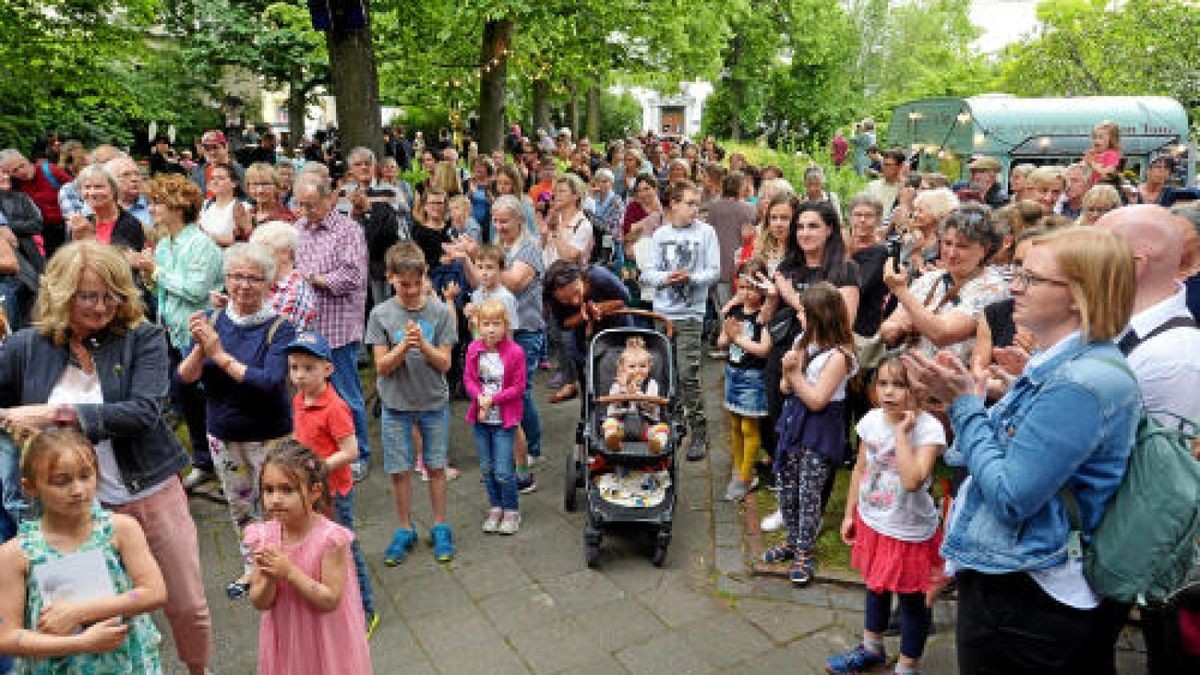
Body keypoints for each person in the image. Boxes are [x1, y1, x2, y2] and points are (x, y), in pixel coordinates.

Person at [904, 226, 1140, 674]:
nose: (1014, 287)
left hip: (1029, 596)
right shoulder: (1069, 367)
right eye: (1018, 273)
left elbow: (1010, 496)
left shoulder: (1079, 383)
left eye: (1031, 278)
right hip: (1023, 582)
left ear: (1078, 294)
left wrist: (963, 405)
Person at [0, 241, 213, 674]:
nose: (103, 307)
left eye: (113, 294)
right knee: (93, 614)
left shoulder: (143, 338)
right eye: (88, 296)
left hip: (150, 491)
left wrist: (53, 414)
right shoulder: (26, 346)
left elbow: (144, 411)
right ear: (61, 294)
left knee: (184, 602)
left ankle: (197, 669)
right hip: (75, 510)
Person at [1098, 204, 1200, 675]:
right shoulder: (1131, 328)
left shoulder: (1175, 356)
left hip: (1145, 560)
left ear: (1134, 263)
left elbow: (1167, 491)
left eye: (1095, 249)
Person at [176, 242, 296, 600]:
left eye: (253, 278)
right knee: (240, 504)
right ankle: (253, 567)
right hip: (224, 432)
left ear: (268, 283)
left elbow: (270, 382)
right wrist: (200, 348)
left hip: (269, 434)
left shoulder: (280, 328)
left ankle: (284, 564)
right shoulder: (212, 321)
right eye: (235, 277)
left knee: (276, 504)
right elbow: (183, 379)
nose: (243, 285)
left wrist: (219, 355)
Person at [0, 429, 167, 673]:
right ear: (31, 487)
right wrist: (80, 643)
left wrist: (79, 612)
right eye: (61, 481)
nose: (78, 490)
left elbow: (154, 592)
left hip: (129, 663)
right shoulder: (16, 554)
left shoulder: (120, 529)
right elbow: (7, 637)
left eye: (85, 476)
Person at [827, 356, 947, 675]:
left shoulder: (928, 430)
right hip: (874, 521)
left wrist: (903, 434)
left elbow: (912, 480)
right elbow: (861, 471)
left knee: (911, 602)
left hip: (908, 531)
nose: (889, 393)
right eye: (883, 383)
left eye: (899, 384)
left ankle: (907, 667)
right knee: (875, 587)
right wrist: (850, 513)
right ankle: (872, 648)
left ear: (918, 390)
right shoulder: (871, 420)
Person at [130, 174, 224, 492]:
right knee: (187, 400)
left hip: (197, 333)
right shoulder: (165, 245)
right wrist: (148, 274)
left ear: (179, 207)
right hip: (172, 331)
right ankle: (203, 461)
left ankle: (219, 461)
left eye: (158, 203)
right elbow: (162, 291)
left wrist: (155, 271)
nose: (152, 209)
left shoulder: (201, 245)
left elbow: (195, 291)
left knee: (205, 398)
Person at [245, 441, 372, 675]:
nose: (275, 499)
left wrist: (289, 573)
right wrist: (270, 577)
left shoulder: (330, 539)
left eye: (287, 489)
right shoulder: (263, 537)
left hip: (326, 640)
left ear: (314, 492)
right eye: (268, 489)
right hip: (286, 640)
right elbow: (259, 602)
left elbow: (330, 599)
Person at [366, 242, 457, 566]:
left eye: (416, 283)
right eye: (404, 284)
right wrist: (405, 345)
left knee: (435, 466)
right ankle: (404, 528)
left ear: (424, 276)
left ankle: (440, 524)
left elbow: (445, 364)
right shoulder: (381, 315)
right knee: (399, 470)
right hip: (396, 405)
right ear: (390, 278)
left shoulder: (440, 312)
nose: (411, 290)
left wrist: (424, 346)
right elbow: (381, 366)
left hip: (433, 402)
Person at [283, 331, 377, 635]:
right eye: (294, 367)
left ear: (328, 369)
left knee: (344, 548)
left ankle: (366, 610)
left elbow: (351, 452)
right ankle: (333, 599)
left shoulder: (335, 407)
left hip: (334, 492)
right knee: (320, 547)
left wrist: (317, 467)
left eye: (308, 368)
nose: (299, 375)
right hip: (310, 490)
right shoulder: (299, 399)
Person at [769, 282, 857, 586]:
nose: (799, 317)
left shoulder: (840, 357)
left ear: (821, 316)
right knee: (787, 487)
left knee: (809, 493)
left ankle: (804, 550)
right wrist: (786, 373)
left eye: (804, 312)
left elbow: (818, 400)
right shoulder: (802, 342)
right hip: (794, 421)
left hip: (819, 428)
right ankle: (792, 539)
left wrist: (794, 375)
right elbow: (785, 388)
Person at [454, 197, 545, 492]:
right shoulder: (498, 247)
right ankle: (506, 462)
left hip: (523, 332)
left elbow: (515, 282)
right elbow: (480, 282)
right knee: (500, 407)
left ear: (520, 220)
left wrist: (480, 257)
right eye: (495, 220)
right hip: (491, 345)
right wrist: (468, 259)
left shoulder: (529, 246)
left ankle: (531, 449)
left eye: (504, 221)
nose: (499, 226)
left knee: (520, 396)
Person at [292, 172, 372, 482]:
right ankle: (320, 451)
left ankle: (358, 453)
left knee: (347, 394)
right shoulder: (298, 229)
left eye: (311, 205)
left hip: (337, 326)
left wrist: (314, 279)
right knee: (311, 394)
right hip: (307, 327)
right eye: (300, 204)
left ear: (329, 199)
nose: (305, 211)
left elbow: (352, 276)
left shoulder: (348, 230)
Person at [637, 180, 721, 460]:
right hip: (663, 314)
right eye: (689, 203)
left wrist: (691, 278)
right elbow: (648, 272)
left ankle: (699, 431)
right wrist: (665, 279)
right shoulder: (660, 235)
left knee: (688, 374)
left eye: (697, 204)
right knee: (664, 373)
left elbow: (714, 270)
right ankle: (674, 423)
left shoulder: (706, 233)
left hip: (690, 315)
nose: (694, 209)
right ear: (673, 204)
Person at [880, 204, 1008, 364]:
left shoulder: (992, 288)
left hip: (952, 383)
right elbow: (887, 329)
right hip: (908, 378)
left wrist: (901, 291)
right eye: (947, 243)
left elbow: (942, 334)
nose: (952, 253)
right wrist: (896, 328)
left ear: (985, 249)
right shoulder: (930, 279)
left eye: (962, 246)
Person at [464, 299, 527, 535]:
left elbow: (519, 388)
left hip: (504, 420)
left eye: (496, 324)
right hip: (481, 420)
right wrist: (479, 396)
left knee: (502, 469)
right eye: (486, 324)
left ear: (505, 325)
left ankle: (511, 510)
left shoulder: (515, 352)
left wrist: (494, 399)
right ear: (478, 325)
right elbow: (469, 379)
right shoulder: (474, 350)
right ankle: (496, 507)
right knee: (486, 468)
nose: (491, 329)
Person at [716, 259, 772, 501]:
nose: (747, 293)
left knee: (750, 427)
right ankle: (739, 468)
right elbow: (720, 343)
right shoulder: (734, 311)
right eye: (743, 287)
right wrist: (728, 334)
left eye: (752, 287)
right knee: (736, 426)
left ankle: (745, 476)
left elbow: (764, 350)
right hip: (733, 373)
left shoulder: (764, 316)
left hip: (753, 377)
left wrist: (737, 338)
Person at [600, 336, 670, 453]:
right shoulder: (617, 384)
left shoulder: (651, 384)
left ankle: (657, 444)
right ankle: (613, 441)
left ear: (649, 367)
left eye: (642, 366)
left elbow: (652, 405)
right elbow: (613, 404)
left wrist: (638, 395)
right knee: (609, 424)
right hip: (621, 425)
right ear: (622, 368)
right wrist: (623, 389)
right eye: (632, 367)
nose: (638, 370)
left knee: (663, 429)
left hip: (645, 426)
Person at [249, 221, 318, 333]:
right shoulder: (269, 282)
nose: (257, 258)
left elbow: (281, 340)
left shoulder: (295, 293)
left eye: (264, 251)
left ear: (286, 254)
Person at [0, 149, 72, 257]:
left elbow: (77, 192)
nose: (21, 171)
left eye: (22, 165)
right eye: (14, 171)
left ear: (26, 160)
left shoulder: (51, 171)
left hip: (65, 226)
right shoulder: (15, 185)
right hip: (42, 232)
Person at [64, 165, 145, 251]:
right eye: (87, 187)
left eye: (98, 187)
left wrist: (90, 238)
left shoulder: (130, 224)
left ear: (113, 189)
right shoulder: (82, 223)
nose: (92, 193)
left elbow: (120, 261)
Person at [198, 163, 251, 247]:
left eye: (221, 178)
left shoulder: (242, 206)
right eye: (212, 178)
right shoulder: (204, 205)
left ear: (234, 183)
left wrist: (207, 236)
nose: (215, 182)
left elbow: (242, 239)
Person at [1083, 120, 1122, 185]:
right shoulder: (1093, 154)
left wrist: (1091, 163)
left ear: (1111, 140)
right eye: (1094, 137)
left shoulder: (1112, 154)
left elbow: (1107, 173)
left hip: (1104, 189)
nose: (1096, 140)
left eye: (1100, 137)